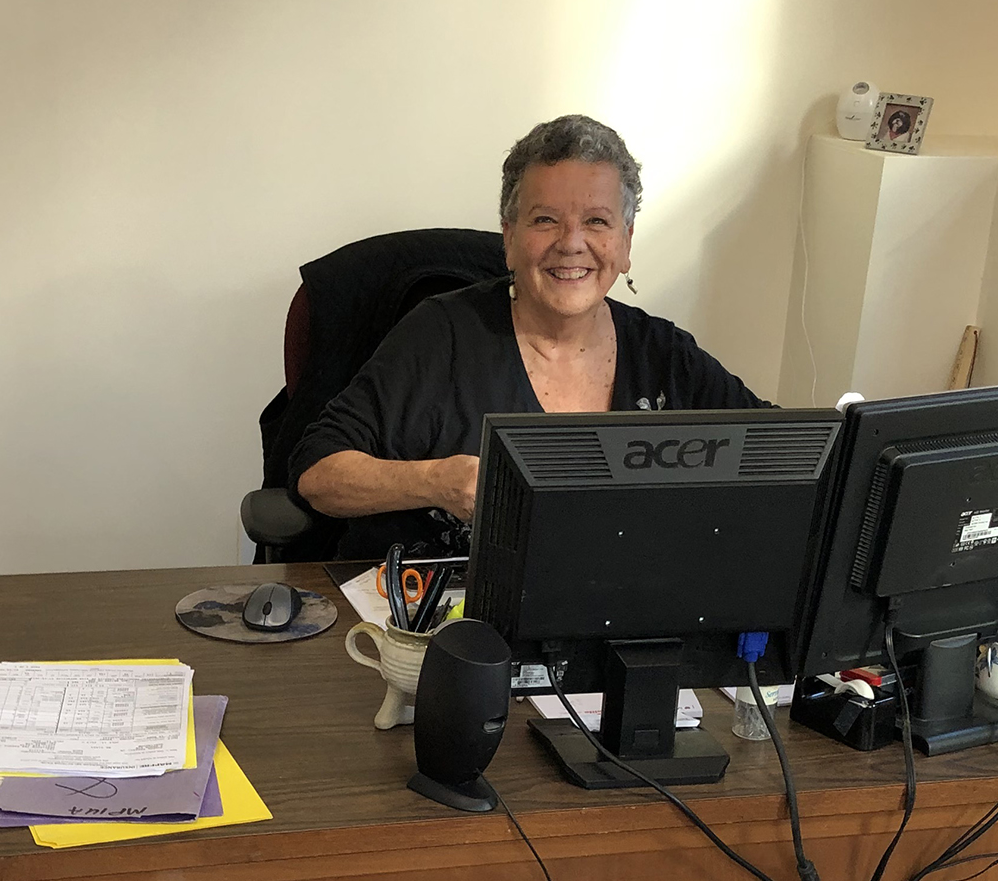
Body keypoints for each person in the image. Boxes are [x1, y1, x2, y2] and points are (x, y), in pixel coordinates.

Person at [292, 114, 766, 560]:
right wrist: (435, 481)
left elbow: (784, 451)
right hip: (439, 618)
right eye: (545, 220)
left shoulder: (663, 354)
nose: (571, 242)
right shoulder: (441, 336)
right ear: (510, 239)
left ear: (625, 244)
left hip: (610, 616)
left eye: (597, 222)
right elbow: (318, 474)